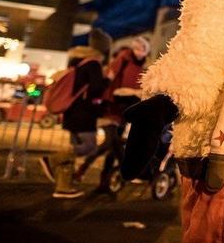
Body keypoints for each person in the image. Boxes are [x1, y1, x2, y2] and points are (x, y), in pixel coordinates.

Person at [39, 28, 110, 198]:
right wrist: (108, 79)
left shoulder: (77, 61)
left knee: (73, 149)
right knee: (89, 147)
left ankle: (63, 187)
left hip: (71, 112)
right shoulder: (93, 63)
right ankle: (53, 159)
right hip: (84, 113)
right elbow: (95, 89)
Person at [74, 36, 149, 192]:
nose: (139, 51)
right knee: (110, 142)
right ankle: (83, 167)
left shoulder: (144, 67)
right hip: (111, 106)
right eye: (137, 47)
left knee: (114, 148)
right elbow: (108, 80)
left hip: (125, 110)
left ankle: (104, 183)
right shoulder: (123, 59)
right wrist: (105, 98)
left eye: (143, 49)